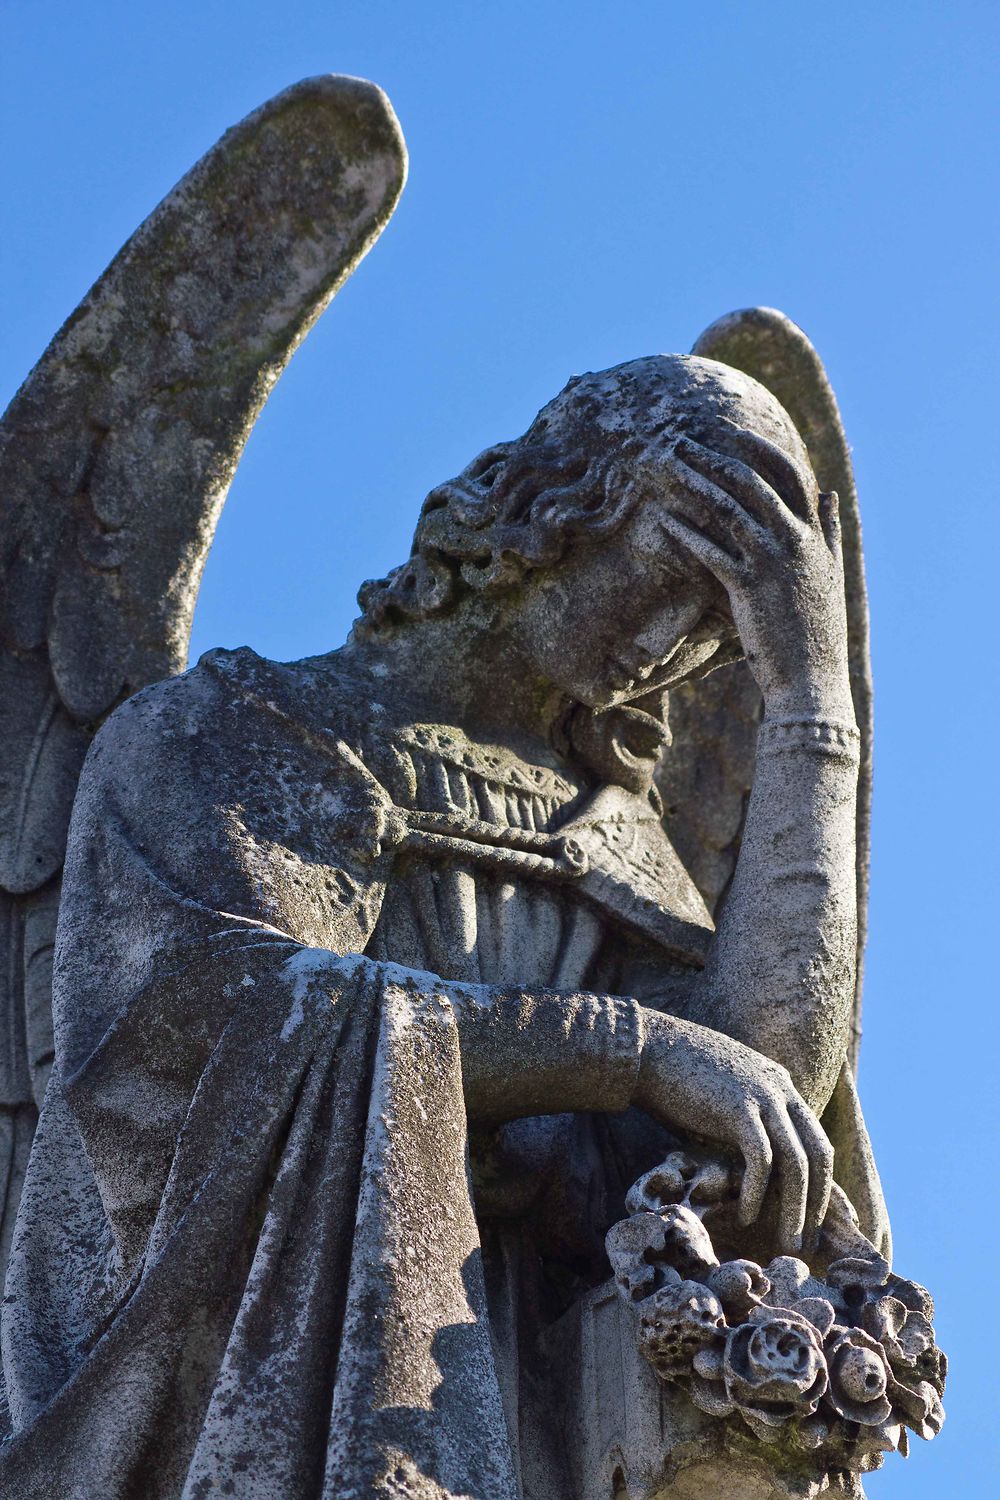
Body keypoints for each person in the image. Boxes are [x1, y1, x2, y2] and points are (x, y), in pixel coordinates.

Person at [0, 355, 886, 1499]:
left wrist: (813, 704)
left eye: (729, 627)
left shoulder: (619, 842)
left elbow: (763, 1103)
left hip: (531, 1399)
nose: (675, 641)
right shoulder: (225, 736)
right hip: (293, 1385)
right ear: (559, 504)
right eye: (682, 566)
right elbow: (218, 1029)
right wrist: (631, 1050)